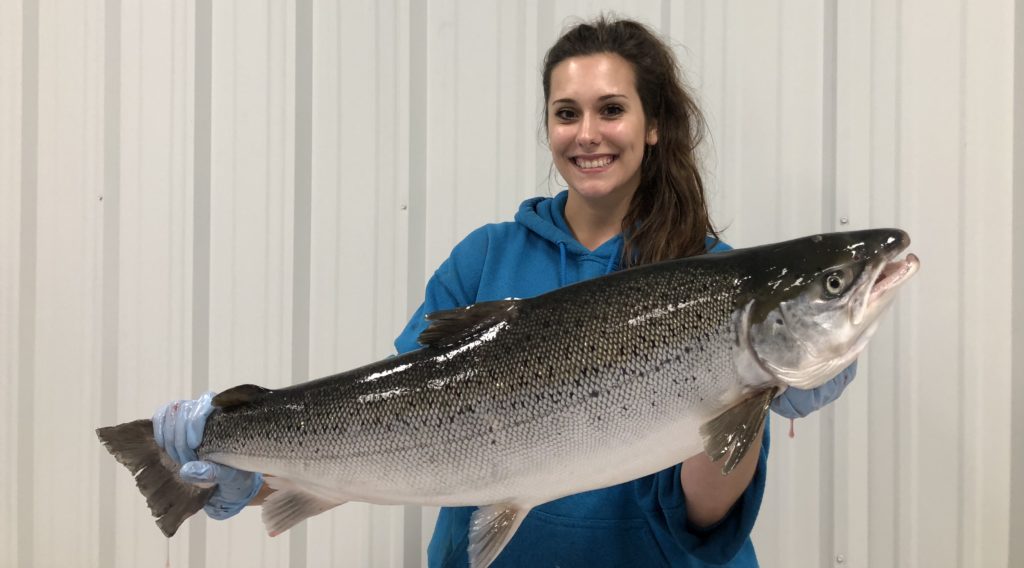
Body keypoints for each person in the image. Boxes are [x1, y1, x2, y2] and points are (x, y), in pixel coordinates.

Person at [153, 16, 857, 567]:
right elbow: (391, 440)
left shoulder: (709, 277)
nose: (587, 134)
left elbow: (705, 517)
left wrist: (749, 399)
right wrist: (233, 468)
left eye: (611, 109)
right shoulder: (485, 258)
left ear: (654, 125)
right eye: (566, 112)